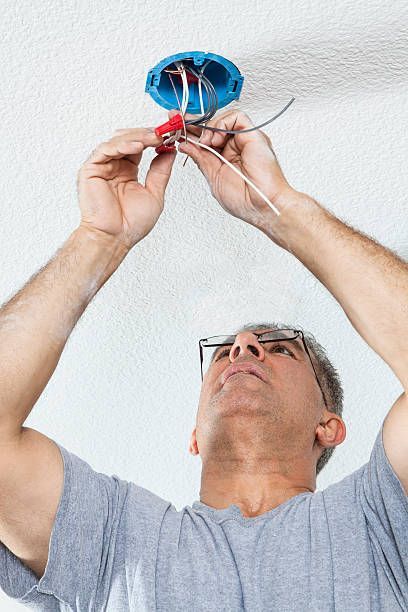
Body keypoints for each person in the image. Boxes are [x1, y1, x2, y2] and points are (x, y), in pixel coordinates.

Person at [0, 108, 407, 611]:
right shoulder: (114, 539)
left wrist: (280, 208)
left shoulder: (383, 524)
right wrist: (100, 239)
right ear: (193, 434)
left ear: (329, 426)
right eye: (224, 353)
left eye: (280, 347)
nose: (242, 347)